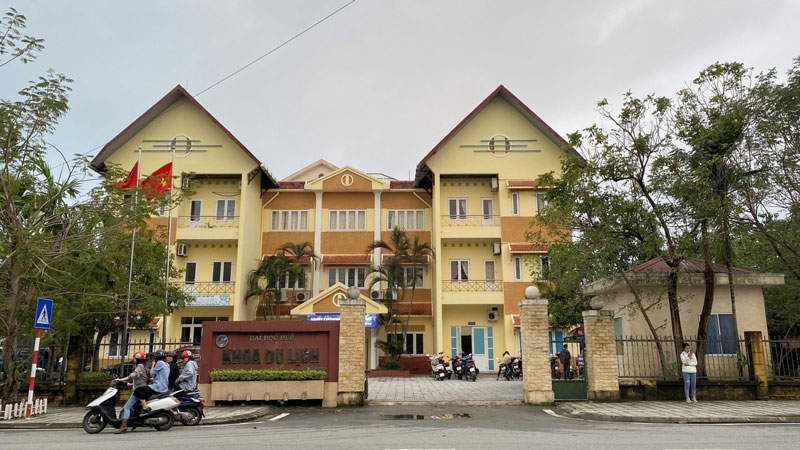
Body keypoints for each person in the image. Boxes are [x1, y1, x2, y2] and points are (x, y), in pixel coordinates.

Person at [116, 349, 170, 434]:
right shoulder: (166, 364)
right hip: (162, 386)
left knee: (132, 400)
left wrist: (121, 379)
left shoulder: (158, 363)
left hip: (157, 387)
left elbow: (148, 374)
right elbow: (150, 376)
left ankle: (124, 426)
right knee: (138, 393)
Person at [113, 351, 149, 434]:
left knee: (127, 407)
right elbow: (141, 378)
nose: (134, 360)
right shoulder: (144, 366)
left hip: (138, 391)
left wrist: (121, 379)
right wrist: (130, 384)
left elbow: (133, 376)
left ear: (138, 358)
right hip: (141, 388)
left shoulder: (139, 366)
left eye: (135, 358)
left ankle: (123, 427)